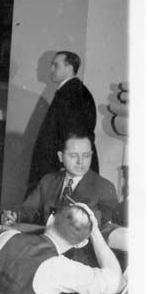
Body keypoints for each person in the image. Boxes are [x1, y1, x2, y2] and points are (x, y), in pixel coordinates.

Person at [27, 50, 98, 191]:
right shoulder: (73, 91)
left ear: (69, 67)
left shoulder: (71, 93)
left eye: (56, 65)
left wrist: (63, 168)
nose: (51, 69)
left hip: (61, 171)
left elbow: (73, 135)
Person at [15, 134, 120, 228]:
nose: (80, 161)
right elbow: (26, 212)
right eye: (74, 155)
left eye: (86, 156)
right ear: (61, 157)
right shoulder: (48, 180)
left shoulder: (105, 187)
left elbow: (108, 229)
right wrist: (14, 216)